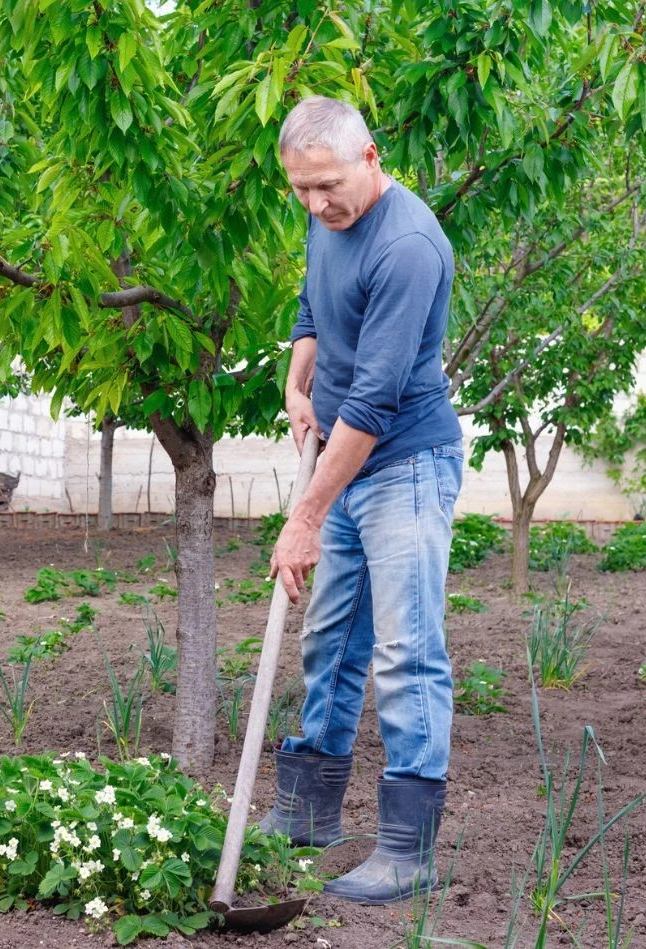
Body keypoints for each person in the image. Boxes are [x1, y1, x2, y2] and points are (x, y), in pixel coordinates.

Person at [258, 96, 464, 905]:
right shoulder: (327, 216)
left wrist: (305, 514)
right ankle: (308, 811)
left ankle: (408, 851)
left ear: (371, 157)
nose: (316, 205)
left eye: (328, 187)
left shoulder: (407, 245)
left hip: (403, 462)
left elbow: (375, 403)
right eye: (301, 190)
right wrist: (298, 378)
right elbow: (313, 304)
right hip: (342, 457)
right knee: (331, 637)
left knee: (406, 651)